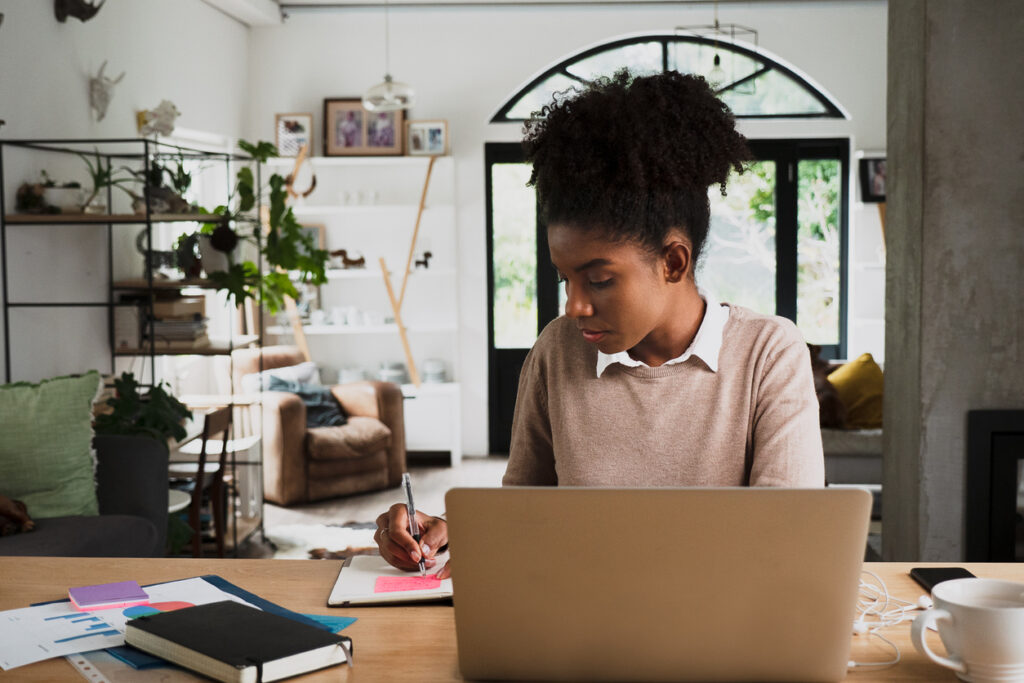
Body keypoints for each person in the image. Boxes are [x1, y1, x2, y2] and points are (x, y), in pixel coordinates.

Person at [375, 70, 825, 578]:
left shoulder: (768, 353)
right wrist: (456, 528)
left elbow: (788, 542)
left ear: (674, 263)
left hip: (721, 636)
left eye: (599, 280)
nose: (574, 307)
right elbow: (525, 511)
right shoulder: (558, 350)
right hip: (576, 633)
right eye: (565, 278)